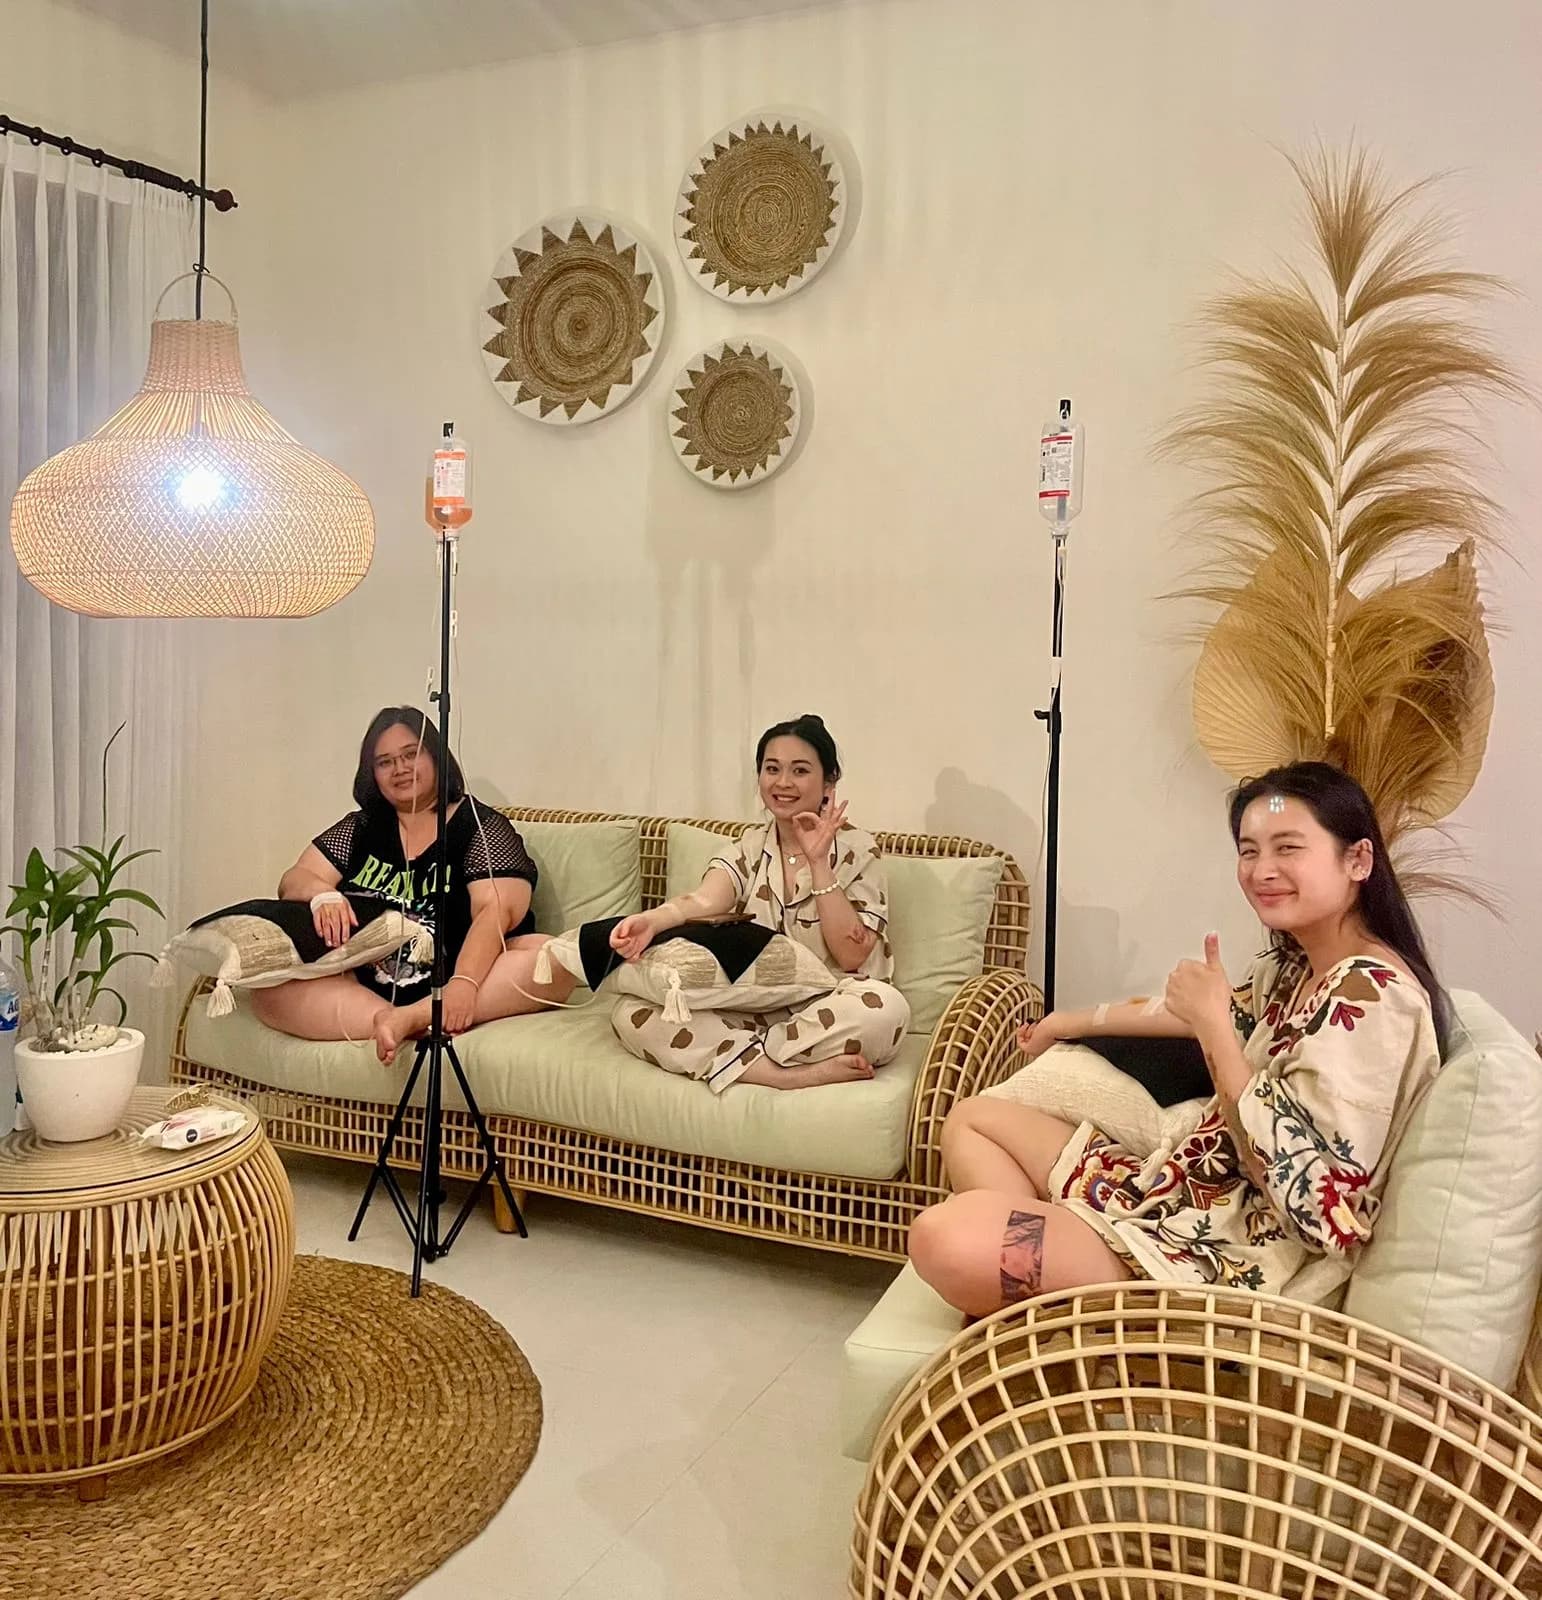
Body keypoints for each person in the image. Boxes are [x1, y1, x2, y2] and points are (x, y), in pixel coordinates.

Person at [908, 762, 1445, 1318]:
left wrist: (1214, 1028)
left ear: (1357, 859)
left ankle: (1069, 1286)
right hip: (1183, 1191)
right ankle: (1047, 1295)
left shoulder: (1373, 999)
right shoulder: (1298, 966)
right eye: (1249, 850)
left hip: (1227, 1258)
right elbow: (1183, 1013)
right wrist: (1068, 1020)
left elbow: (1315, 1211)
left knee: (943, 1238)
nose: (1263, 870)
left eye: (1288, 848)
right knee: (972, 1118)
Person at [251, 706, 575, 1063]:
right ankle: (390, 1021)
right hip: (364, 985)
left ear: (435, 757)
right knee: (266, 991)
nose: (400, 769)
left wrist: (462, 985)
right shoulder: (361, 828)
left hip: (462, 977)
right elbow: (294, 878)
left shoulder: (478, 824)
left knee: (553, 958)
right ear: (371, 773)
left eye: (410, 754)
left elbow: (496, 910)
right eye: (385, 762)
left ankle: (415, 1017)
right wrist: (322, 894)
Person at [607, 714, 911, 1091]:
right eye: (772, 769)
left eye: (800, 770)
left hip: (833, 1005)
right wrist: (652, 921)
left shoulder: (858, 850)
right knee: (631, 1014)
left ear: (829, 781)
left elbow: (852, 956)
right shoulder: (747, 849)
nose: (783, 783)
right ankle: (784, 1074)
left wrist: (819, 863)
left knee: (885, 1010)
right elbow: (703, 900)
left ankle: (737, 1057)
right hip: (753, 1006)